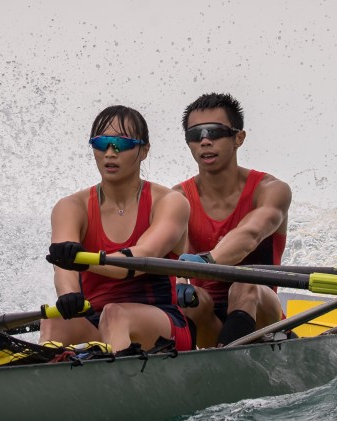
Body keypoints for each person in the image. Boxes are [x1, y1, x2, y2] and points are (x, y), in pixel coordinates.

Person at [43, 105, 194, 353]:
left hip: (163, 323)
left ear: (144, 150)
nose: (109, 153)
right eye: (101, 143)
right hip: (96, 319)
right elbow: (63, 268)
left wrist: (81, 261)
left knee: (115, 314)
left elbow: (141, 256)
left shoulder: (170, 202)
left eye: (121, 144)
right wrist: (69, 294)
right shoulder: (70, 207)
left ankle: (113, 380)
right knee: (54, 317)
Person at [173, 93, 291, 347]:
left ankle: (228, 363)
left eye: (214, 132)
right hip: (208, 319)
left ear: (239, 137)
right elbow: (175, 256)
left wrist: (207, 261)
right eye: (195, 135)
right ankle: (217, 358)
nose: (205, 141)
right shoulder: (177, 199)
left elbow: (250, 235)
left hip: (261, 311)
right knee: (192, 300)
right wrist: (180, 279)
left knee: (244, 283)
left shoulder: (271, 190)